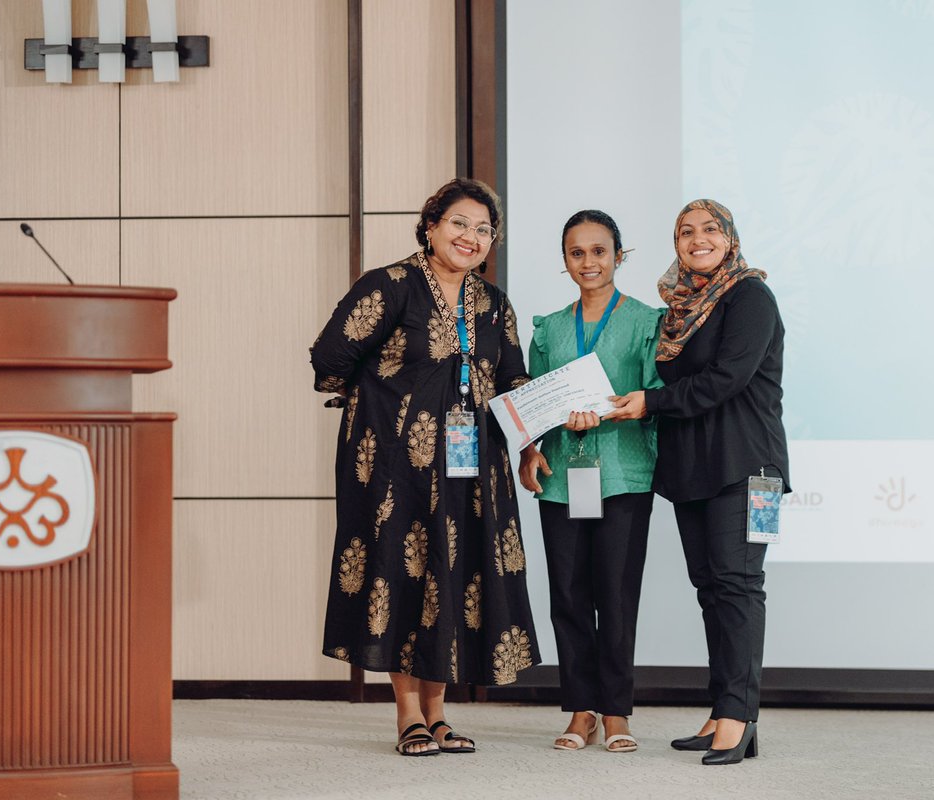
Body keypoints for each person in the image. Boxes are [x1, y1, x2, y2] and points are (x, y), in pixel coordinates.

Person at [310, 178, 540, 757]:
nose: (471, 236)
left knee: (454, 576)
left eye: (483, 229)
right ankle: (408, 714)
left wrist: (535, 434)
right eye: (459, 223)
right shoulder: (390, 285)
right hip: (396, 469)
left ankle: (439, 714)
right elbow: (331, 356)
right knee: (401, 571)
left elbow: (512, 378)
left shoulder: (492, 303)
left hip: (473, 465)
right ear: (432, 224)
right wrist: (385, 406)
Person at [606, 199, 788, 766]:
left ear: (730, 238)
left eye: (710, 229)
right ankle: (723, 711)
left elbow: (727, 378)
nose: (697, 238)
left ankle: (740, 717)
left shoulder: (749, 296)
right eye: (685, 231)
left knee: (737, 586)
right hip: (692, 470)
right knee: (712, 590)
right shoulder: (680, 309)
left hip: (746, 467)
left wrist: (650, 403)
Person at [518, 210, 663, 753]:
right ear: (565, 261)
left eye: (599, 251)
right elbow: (531, 403)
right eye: (577, 253)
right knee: (570, 595)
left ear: (618, 256)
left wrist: (612, 411)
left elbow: (655, 395)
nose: (589, 262)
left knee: (617, 597)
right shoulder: (549, 328)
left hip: (624, 474)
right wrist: (530, 449)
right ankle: (581, 710)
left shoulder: (648, 320)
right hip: (561, 478)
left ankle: (617, 711)